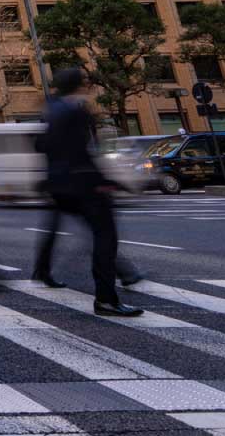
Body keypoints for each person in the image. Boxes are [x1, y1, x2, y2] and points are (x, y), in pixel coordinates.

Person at [31, 67, 142, 317]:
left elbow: (41, 145)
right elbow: (81, 153)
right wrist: (103, 180)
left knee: (88, 232)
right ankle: (105, 298)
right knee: (105, 237)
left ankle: (45, 270)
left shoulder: (51, 111)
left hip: (59, 184)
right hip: (82, 185)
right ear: (79, 85)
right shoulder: (75, 112)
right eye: (84, 81)